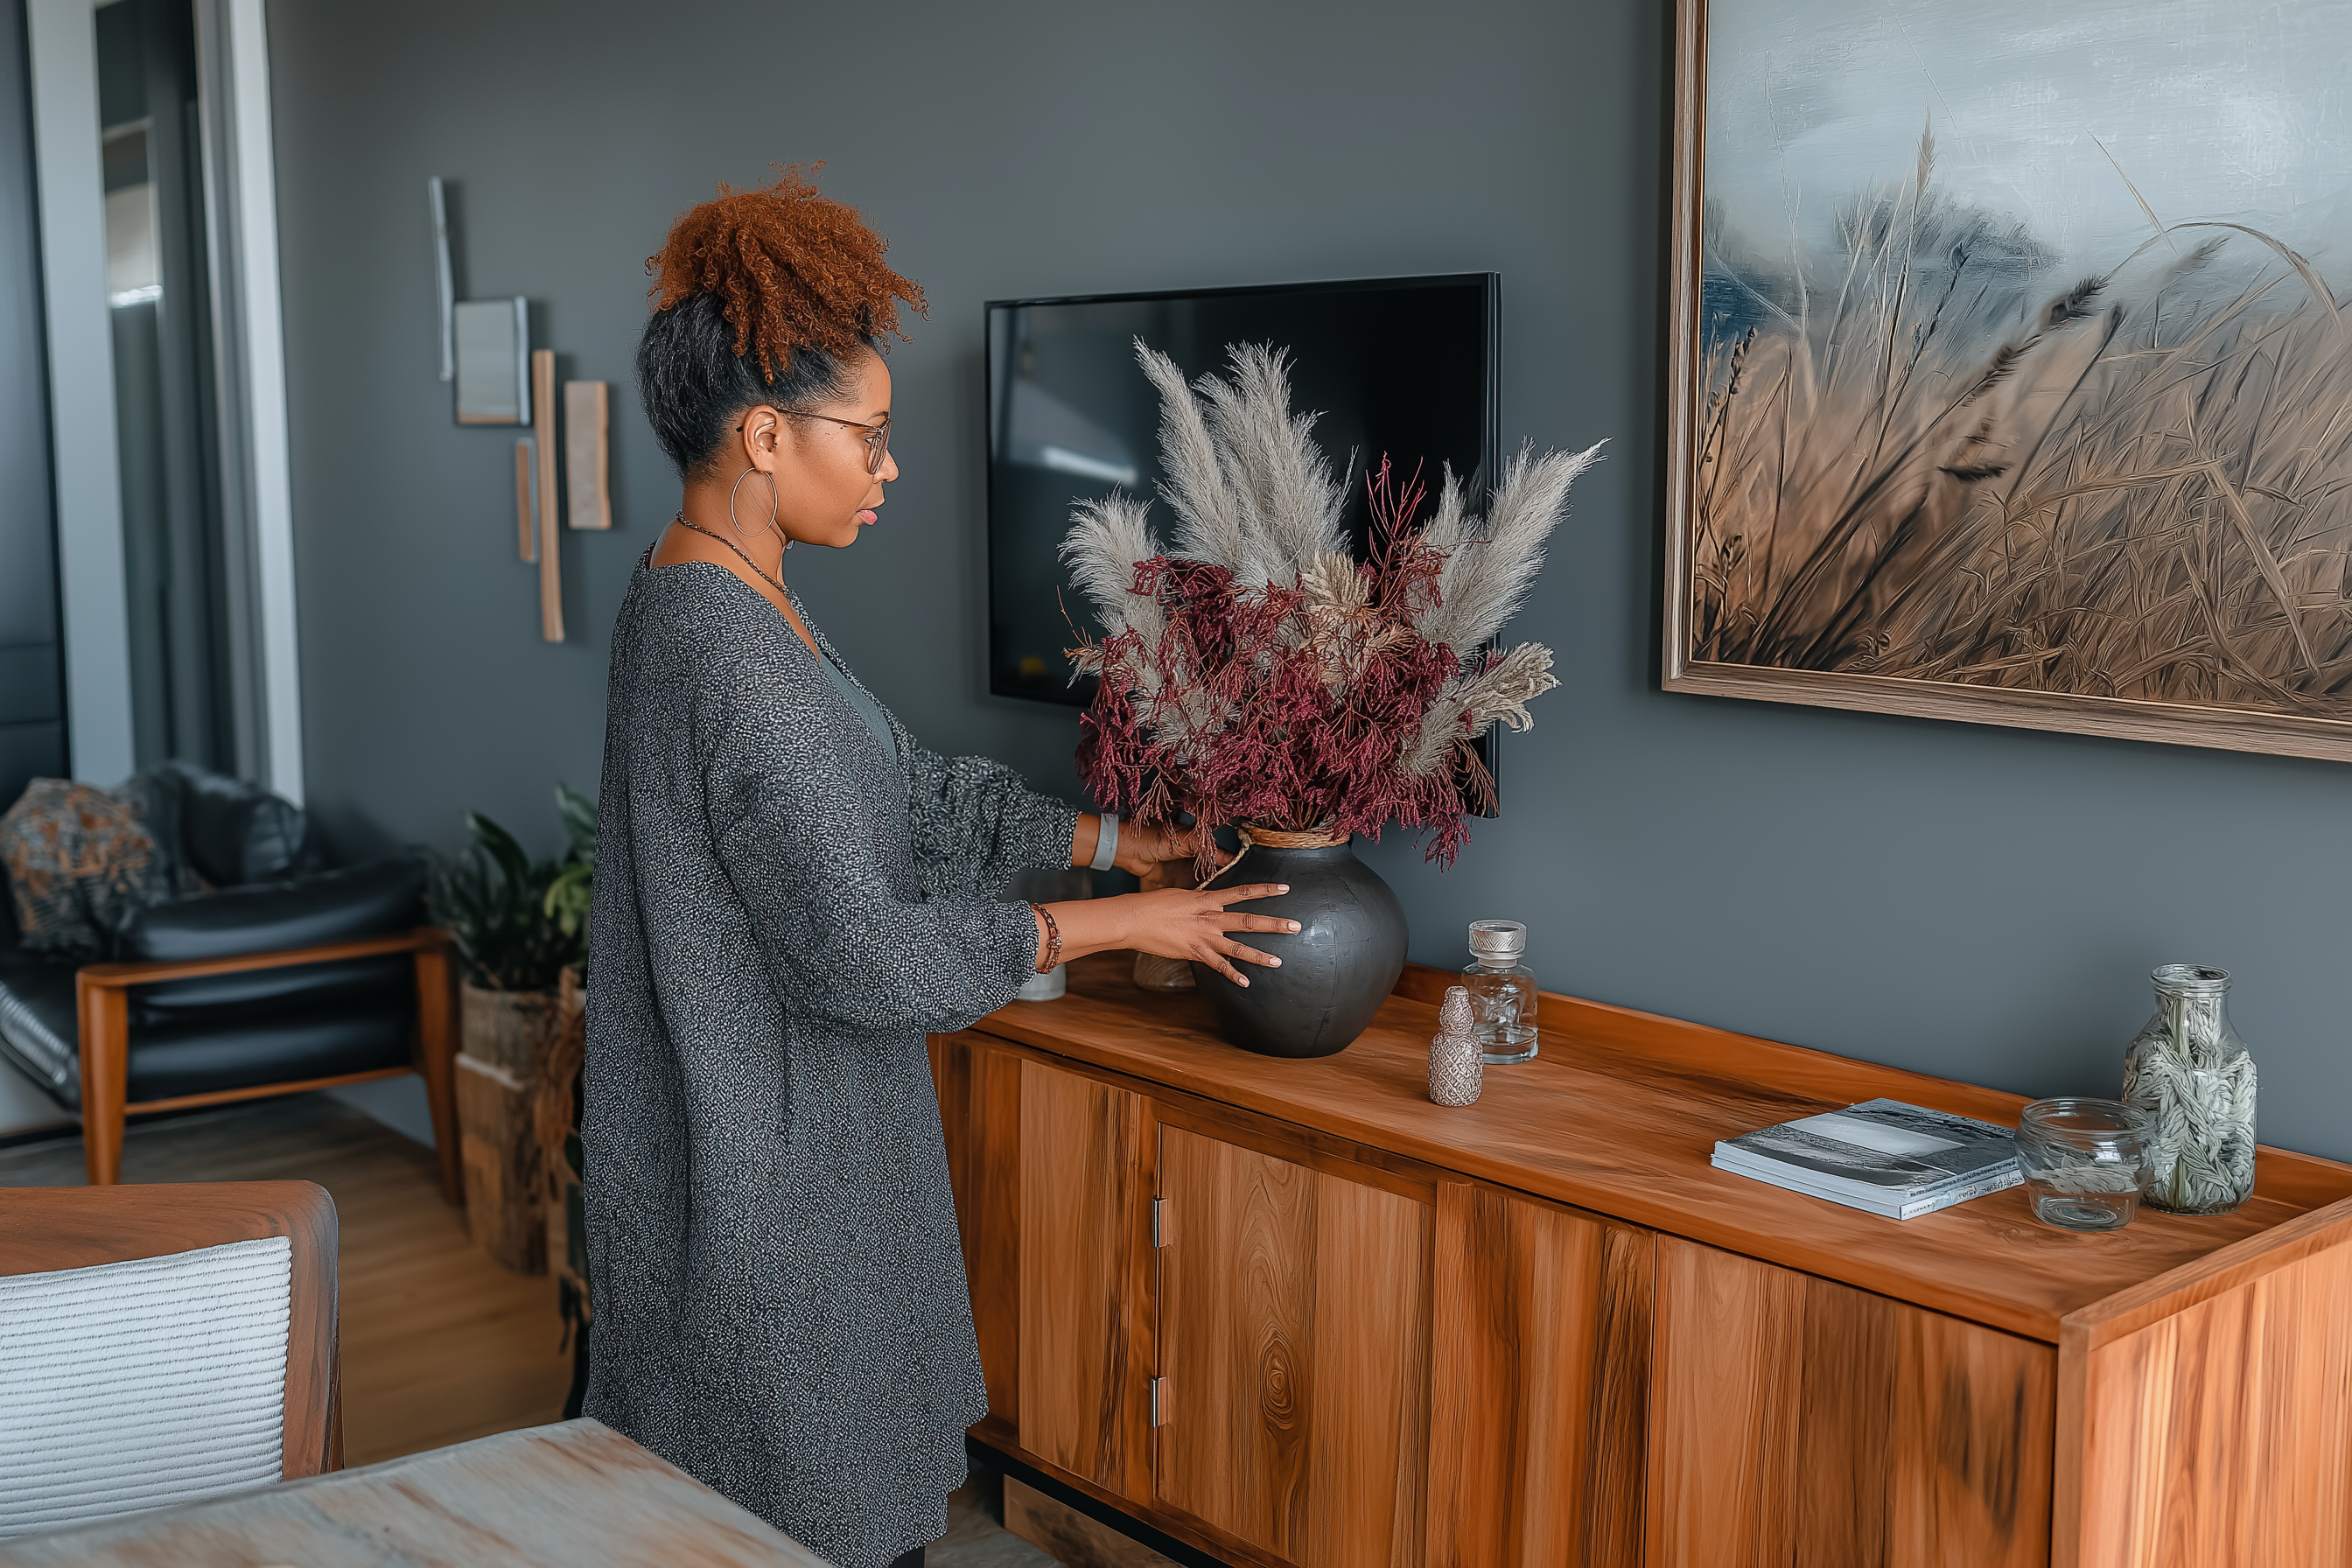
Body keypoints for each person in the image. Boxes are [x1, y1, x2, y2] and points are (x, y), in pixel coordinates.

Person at [582, 169, 1297, 1568]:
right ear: (768, 433)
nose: (890, 465)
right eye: (874, 434)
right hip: (772, 1197)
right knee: (813, 1528)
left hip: (793, 1162)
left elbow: (899, 790)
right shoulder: (729, 657)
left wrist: (1110, 839)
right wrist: (1111, 924)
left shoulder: (720, 591)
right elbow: (862, 955)